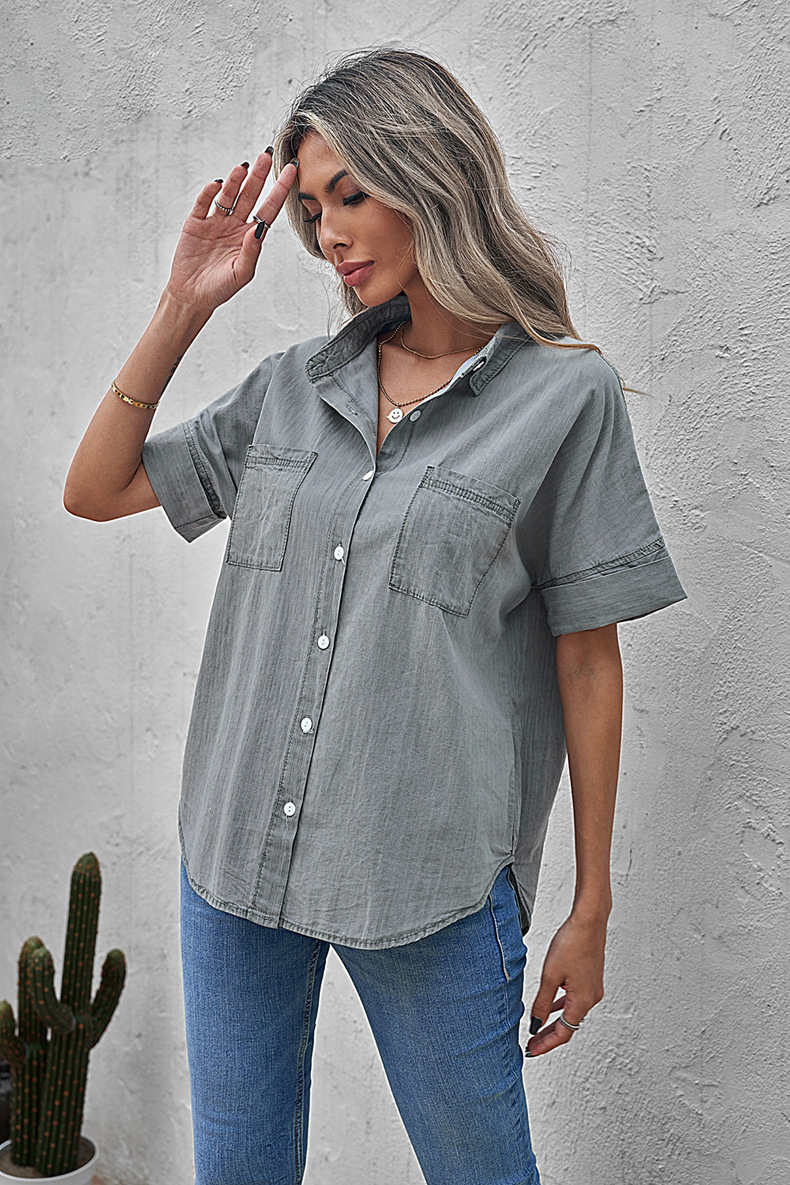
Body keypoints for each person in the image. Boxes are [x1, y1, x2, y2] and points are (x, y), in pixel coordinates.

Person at [64, 45, 687, 1185]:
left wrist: (590, 905)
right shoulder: (291, 387)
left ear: (430, 176)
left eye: (350, 194)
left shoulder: (565, 397)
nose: (329, 233)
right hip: (237, 864)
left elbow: (588, 661)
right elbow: (96, 490)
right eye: (311, 208)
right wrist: (183, 305)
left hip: (430, 880)